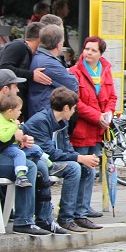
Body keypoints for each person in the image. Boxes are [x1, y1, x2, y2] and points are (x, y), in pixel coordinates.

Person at [22, 87, 97, 233]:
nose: (75, 111)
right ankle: (66, 218)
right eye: (74, 108)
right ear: (66, 108)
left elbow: (67, 148)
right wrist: (80, 157)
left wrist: (84, 159)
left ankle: (80, 215)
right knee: (74, 168)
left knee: (86, 168)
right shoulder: (41, 121)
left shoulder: (62, 121)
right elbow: (50, 153)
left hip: (51, 160)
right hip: (41, 162)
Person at [0, 70, 50, 235]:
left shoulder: (1, 107)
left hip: (0, 153)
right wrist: (13, 136)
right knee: (29, 167)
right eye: (15, 86)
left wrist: (21, 140)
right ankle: (24, 222)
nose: (18, 90)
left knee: (38, 164)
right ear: (5, 89)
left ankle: (42, 219)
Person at [69, 36, 116, 230]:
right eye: (86, 49)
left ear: (100, 54)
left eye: (93, 50)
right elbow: (76, 102)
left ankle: (83, 209)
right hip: (82, 128)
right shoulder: (75, 72)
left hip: (98, 130)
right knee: (80, 171)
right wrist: (97, 116)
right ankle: (74, 211)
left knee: (90, 172)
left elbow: (112, 96)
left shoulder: (105, 71)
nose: (88, 52)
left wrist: (109, 113)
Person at [28, 25, 78, 118]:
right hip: (46, 115)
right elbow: (73, 84)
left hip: (40, 112)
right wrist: (70, 74)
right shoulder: (49, 63)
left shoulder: (41, 57)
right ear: (59, 45)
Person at [0, 21, 46, 113]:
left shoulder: (27, 51)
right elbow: (4, 68)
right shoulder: (18, 46)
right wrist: (31, 74)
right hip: (6, 105)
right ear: (40, 39)